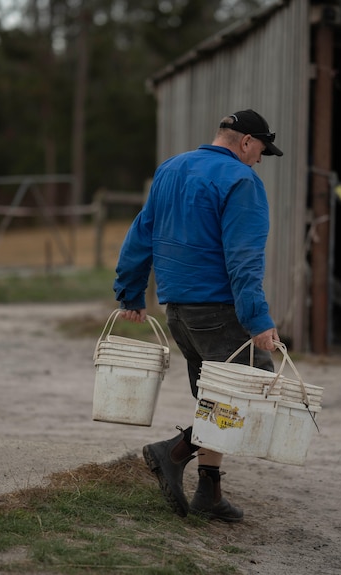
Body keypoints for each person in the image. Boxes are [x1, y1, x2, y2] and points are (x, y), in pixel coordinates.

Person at [113, 109, 283, 522]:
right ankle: (172, 453)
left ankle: (210, 492)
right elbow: (244, 261)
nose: (260, 159)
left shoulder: (171, 168)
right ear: (245, 142)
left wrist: (131, 292)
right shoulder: (241, 181)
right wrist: (258, 320)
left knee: (216, 400)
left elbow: (141, 232)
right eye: (261, 149)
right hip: (220, 310)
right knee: (251, 395)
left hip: (179, 311)